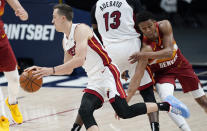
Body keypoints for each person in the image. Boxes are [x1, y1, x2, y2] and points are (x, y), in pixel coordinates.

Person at [25, 4, 189, 131]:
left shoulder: (81, 29)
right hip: (95, 79)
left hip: (108, 73)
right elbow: (68, 69)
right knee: (85, 109)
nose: (52, 21)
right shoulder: (65, 40)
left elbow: (80, 59)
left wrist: (50, 70)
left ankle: (168, 106)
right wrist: (42, 72)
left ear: (62, 18)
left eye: (54, 17)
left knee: (125, 112)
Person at [127, 11, 207, 131]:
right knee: (167, 101)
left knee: (202, 101)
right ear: (140, 30)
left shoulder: (164, 25)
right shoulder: (145, 47)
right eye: (144, 28)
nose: (148, 30)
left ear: (155, 23)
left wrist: (143, 55)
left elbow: (169, 51)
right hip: (162, 74)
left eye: (150, 26)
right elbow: (137, 76)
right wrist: (126, 99)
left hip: (180, 65)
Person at [0, 0, 28, 130]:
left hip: (1, 39)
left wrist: (22, 13)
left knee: (14, 79)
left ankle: (12, 103)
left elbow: (24, 15)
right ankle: (2, 117)